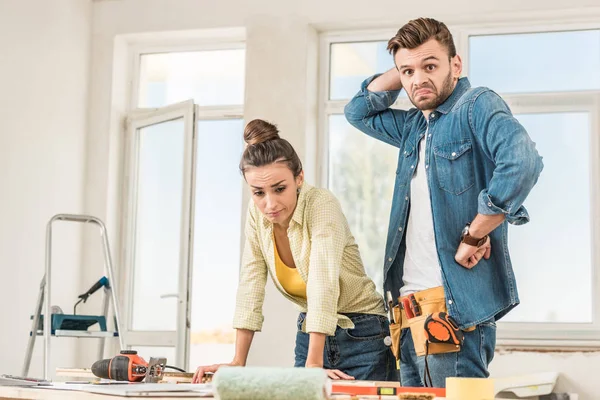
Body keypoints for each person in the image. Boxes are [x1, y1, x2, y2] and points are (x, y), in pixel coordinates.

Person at [344, 17, 543, 387]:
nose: (418, 79)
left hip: (453, 313)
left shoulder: (475, 105)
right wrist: (407, 68)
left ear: (456, 64)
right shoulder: (413, 126)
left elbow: (522, 162)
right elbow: (357, 111)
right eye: (408, 71)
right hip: (407, 313)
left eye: (430, 66)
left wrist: (477, 231)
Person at [192, 119, 396, 383]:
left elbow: (323, 282)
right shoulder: (256, 215)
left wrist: (313, 363)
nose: (269, 204)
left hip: (363, 335)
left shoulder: (321, 204)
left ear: (299, 178)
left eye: (279, 189)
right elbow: (250, 283)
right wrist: (237, 361)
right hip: (309, 333)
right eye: (258, 192)